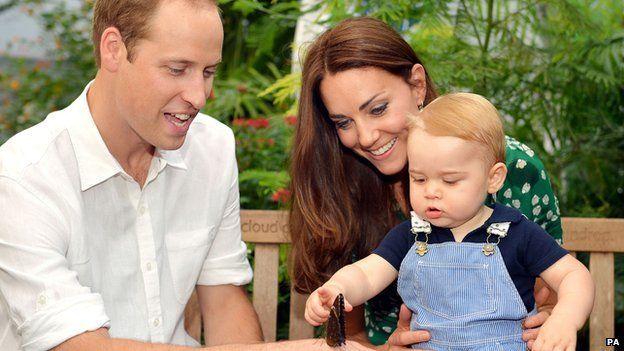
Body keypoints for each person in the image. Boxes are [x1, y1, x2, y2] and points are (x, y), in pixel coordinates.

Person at [0, 1, 372, 351]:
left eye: (209, 72)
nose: (199, 95)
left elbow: (223, 299)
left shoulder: (212, 147)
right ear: (113, 49)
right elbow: (79, 345)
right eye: (177, 69)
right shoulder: (23, 175)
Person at [289, 17, 565, 350]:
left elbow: (554, 288)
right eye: (343, 122)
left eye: (377, 108)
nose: (365, 137)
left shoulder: (506, 165)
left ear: (417, 85)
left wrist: (553, 315)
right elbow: (352, 330)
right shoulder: (341, 179)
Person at [304, 93, 594, 351]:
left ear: (494, 178)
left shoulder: (516, 232)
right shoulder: (412, 236)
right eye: (418, 178)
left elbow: (574, 276)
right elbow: (366, 275)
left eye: (450, 180)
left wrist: (564, 320)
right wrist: (337, 288)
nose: (431, 191)